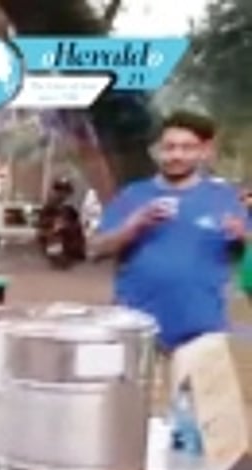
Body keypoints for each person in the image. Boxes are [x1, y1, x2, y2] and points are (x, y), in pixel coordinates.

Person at [92, 110, 248, 353]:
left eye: (187, 148)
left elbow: (243, 253)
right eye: (169, 147)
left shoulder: (224, 198)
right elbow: (96, 250)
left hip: (204, 333)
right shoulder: (133, 195)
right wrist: (134, 224)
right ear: (156, 151)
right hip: (137, 329)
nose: (177, 155)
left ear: (203, 151)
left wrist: (242, 236)